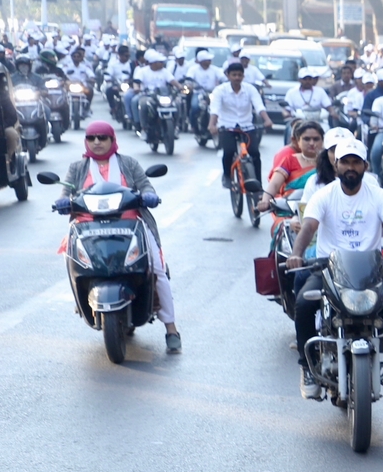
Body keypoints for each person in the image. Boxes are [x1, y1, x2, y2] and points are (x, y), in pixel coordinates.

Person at [283, 138, 383, 395]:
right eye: (345, 162)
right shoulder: (324, 195)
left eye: (356, 162)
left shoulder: (378, 195)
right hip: (329, 268)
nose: (351, 167)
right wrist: (297, 254)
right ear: (336, 165)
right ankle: (307, 367)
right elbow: (309, 226)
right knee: (303, 304)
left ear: (365, 165)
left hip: (371, 270)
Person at [62, 121, 181, 352]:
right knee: (71, 262)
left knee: (157, 270)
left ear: (112, 140)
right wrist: (62, 201)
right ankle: (81, 299)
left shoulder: (129, 163)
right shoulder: (77, 168)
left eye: (102, 137)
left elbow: (146, 186)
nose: (97, 142)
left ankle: (171, 328)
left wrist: (149, 195)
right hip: (87, 227)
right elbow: (65, 192)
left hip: (131, 224)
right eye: (91, 138)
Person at [208, 61, 271, 189]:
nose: (237, 78)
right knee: (229, 152)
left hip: (247, 126)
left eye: (239, 75)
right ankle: (227, 176)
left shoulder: (250, 89)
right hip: (227, 126)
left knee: (254, 153)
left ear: (243, 76)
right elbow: (215, 109)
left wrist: (267, 120)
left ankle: (258, 185)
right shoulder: (220, 90)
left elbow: (259, 106)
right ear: (228, 75)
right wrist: (212, 124)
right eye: (234, 75)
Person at [258, 120, 325, 208]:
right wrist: (265, 200)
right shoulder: (289, 160)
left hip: (322, 207)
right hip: (291, 208)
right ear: (298, 141)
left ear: (322, 141)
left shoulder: (328, 162)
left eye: (316, 139)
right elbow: (274, 185)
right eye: (306, 139)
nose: (312, 143)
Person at [282, 67, 333, 145]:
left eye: (309, 79)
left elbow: (328, 106)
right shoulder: (292, 92)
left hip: (318, 120)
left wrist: (333, 113)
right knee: (289, 129)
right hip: (298, 120)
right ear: (299, 80)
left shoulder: (320, 91)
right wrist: (286, 114)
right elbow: (286, 109)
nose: (307, 81)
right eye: (305, 79)